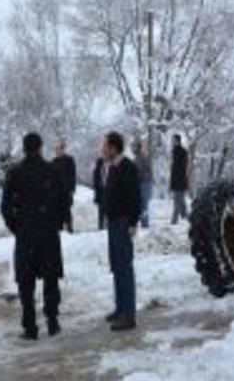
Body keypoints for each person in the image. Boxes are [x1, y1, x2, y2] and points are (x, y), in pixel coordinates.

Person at [1, 133, 68, 341]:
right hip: (48, 233)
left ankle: (30, 326)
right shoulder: (52, 171)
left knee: (26, 281)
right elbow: (64, 201)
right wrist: (56, 223)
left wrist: (16, 228)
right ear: (40, 147)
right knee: (50, 279)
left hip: (26, 234)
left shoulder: (15, 173)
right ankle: (53, 322)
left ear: (24, 148)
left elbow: (5, 206)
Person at [101, 131, 141, 331]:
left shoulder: (127, 167)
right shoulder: (111, 167)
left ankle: (128, 315)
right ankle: (120, 308)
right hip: (113, 222)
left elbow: (134, 197)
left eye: (104, 146)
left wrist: (133, 222)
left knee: (124, 267)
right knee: (117, 266)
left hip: (123, 222)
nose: (102, 149)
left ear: (113, 148)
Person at [52, 138, 77, 233]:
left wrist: (71, 190)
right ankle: (59, 229)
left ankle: (70, 229)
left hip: (66, 190)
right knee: (57, 212)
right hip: (56, 191)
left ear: (63, 149)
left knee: (67, 211)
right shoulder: (54, 161)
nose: (56, 151)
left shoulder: (69, 160)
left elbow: (72, 175)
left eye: (58, 149)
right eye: (55, 149)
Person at [133, 139, 154, 229]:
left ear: (138, 147)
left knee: (144, 204)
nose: (133, 148)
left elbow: (147, 171)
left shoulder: (142, 157)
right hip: (140, 183)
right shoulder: (136, 158)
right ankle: (143, 222)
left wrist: (139, 175)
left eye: (134, 147)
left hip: (145, 184)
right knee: (141, 204)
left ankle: (145, 224)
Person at [169, 134, 189, 225]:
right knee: (180, 201)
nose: (172, 142)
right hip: (176, 180)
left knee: (177, 201)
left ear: (177, 141)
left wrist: (176, 180)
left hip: (180, 180)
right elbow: (174, 169)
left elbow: (181, 168)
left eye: (173, 140)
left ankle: (174, 221)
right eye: (172, 140)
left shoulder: (182, 152)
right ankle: (186, 216)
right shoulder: (174, 152)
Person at [93, 157, 107, 230]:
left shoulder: (110, 167)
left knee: (105, 209)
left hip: (106, 190)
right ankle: (101, 224)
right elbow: (95, 182)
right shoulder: (97, 169)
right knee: (101, 209)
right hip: (101, 191)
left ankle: (104, 224)